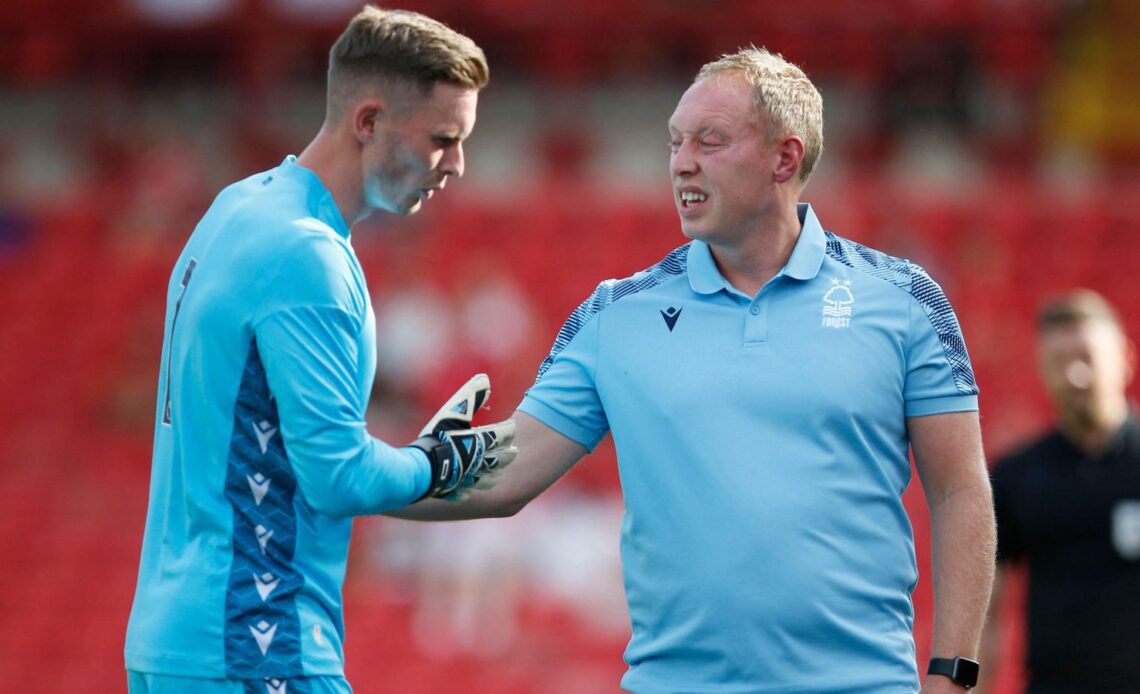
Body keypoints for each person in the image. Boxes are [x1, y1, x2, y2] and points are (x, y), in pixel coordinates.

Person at [396, 47, 996, 692]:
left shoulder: (908, 299)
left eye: (710, 141)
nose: (682, 161)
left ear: (784, 158)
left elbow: (961, 492)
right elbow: (508, 470)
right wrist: (362, 474)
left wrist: (953, 674)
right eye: (675, 141)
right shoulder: (613, 314)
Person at [124, 7, 516, 693]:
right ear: (368, 122)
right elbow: (337, 477)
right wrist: (443, 461)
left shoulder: (238, 207)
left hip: (173, 641)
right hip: (255, 641)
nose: (457, 165)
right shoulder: (307, 256)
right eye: (443, 139)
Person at [981, 290, 1138, 693]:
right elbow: (987, 612)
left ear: (1125, 358)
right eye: (1059, 361)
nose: (1075, 375)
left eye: (1086, 356)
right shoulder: (1018, 476)